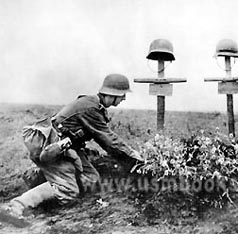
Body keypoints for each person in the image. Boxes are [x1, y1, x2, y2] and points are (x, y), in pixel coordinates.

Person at [1, 74, 143, 220]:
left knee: (91, 179)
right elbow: (109, 140)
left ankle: (44, 178)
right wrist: (134, 157)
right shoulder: (90, 108)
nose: (124, 98)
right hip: (54, 148)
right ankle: (16, 206)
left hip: (68, 148)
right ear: (112, 94)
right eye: (122, 95)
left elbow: (103, 138)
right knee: (68, 191)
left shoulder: (93, 105)